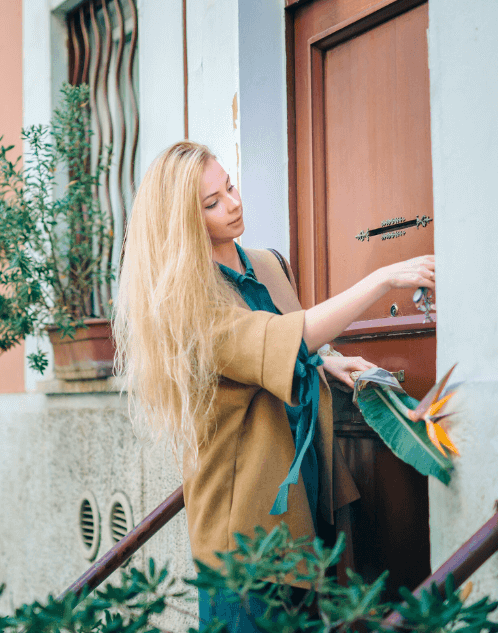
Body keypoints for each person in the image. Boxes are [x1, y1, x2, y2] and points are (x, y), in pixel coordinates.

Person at [114, 141, 435, 631]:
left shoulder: (265, 263)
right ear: (183, 221)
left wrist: (326, 361)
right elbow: (274, 338)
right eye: (212, 203)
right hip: (245, 523)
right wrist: (381, 278)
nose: (233, 204)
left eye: (230, 186)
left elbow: (288, 339)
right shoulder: (187, 302)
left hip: (308, 489)